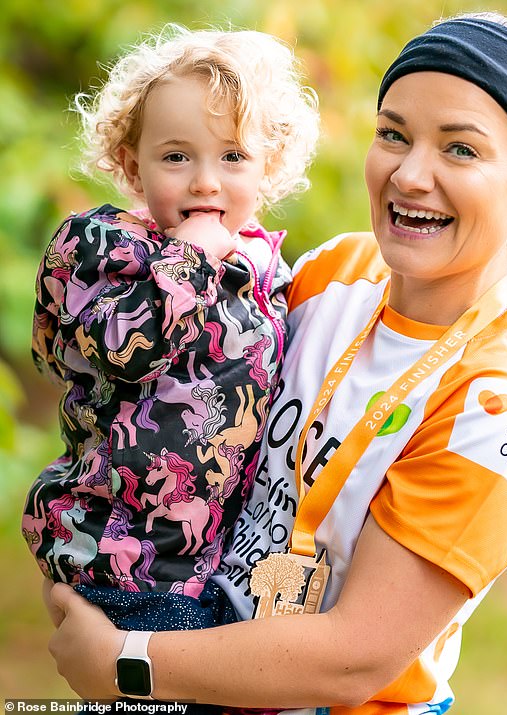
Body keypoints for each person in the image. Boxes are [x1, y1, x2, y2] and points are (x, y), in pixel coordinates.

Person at [46, 12, 507, 715]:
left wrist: (125, 664)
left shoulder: (496, 403)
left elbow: (354, 657)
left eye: (461, 149)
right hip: (193, 668)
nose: (410, 173)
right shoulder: (336, 269)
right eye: (393, 133)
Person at [21, 25, 319, 641]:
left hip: (215, 562)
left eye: (233, 157)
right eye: (177, 156)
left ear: (269, 168)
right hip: (122, 557)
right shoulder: (103, 250)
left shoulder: (263, 269)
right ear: (133, 166)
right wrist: (189, 260)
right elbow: (123, 349)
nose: (206, 182)